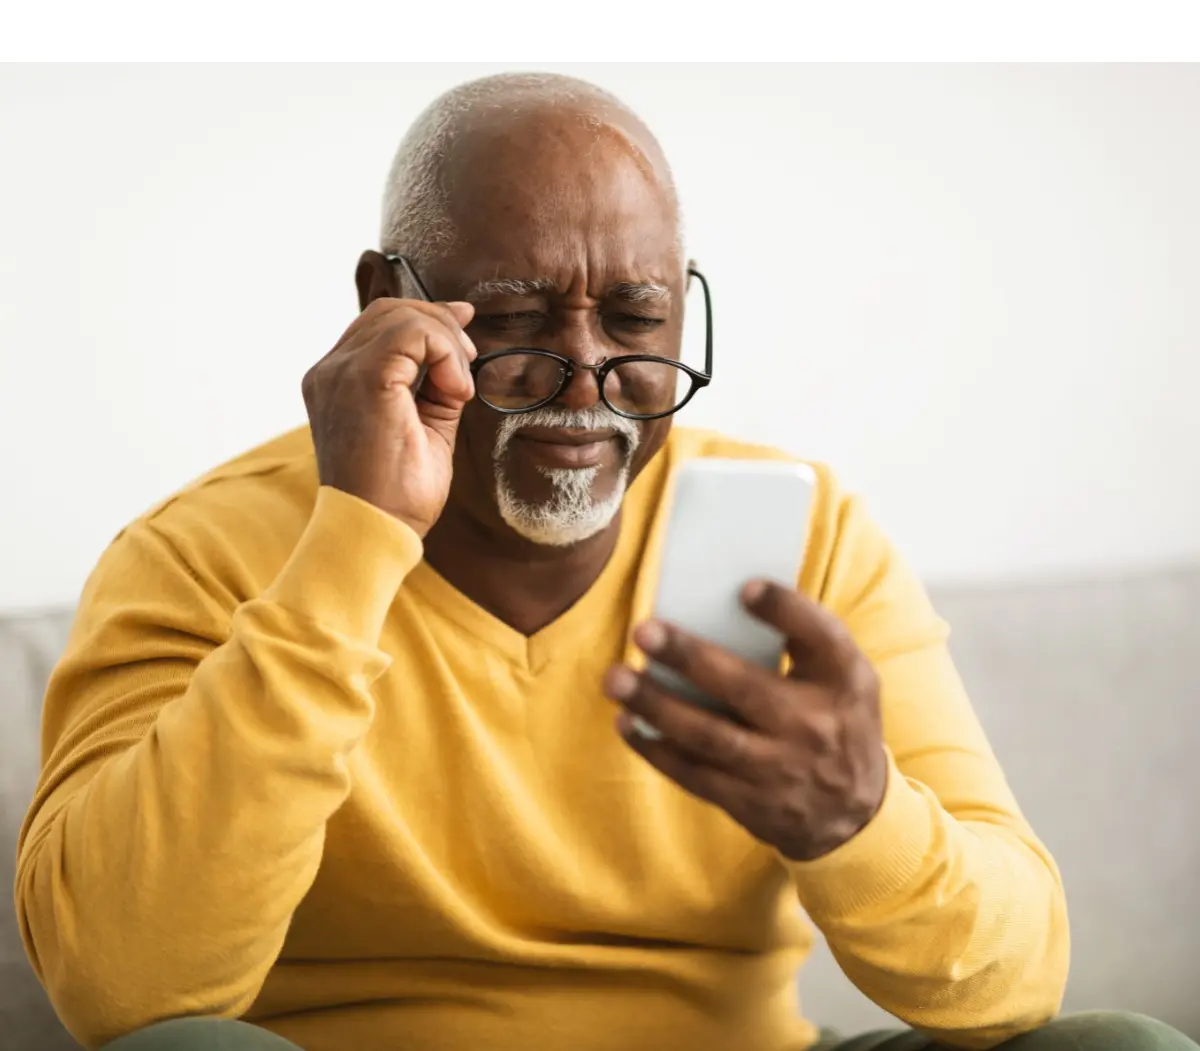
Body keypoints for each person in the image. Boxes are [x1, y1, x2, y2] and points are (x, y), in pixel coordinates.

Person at [14, 72, 1194, 1051]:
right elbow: (119, 988)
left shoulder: (808, 530)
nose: (587, 379)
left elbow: (1020, 975)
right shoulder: (200, 550)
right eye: (517, 321)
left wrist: (860, 818)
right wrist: (356, 540)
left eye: (633, 320)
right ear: (387, 303)